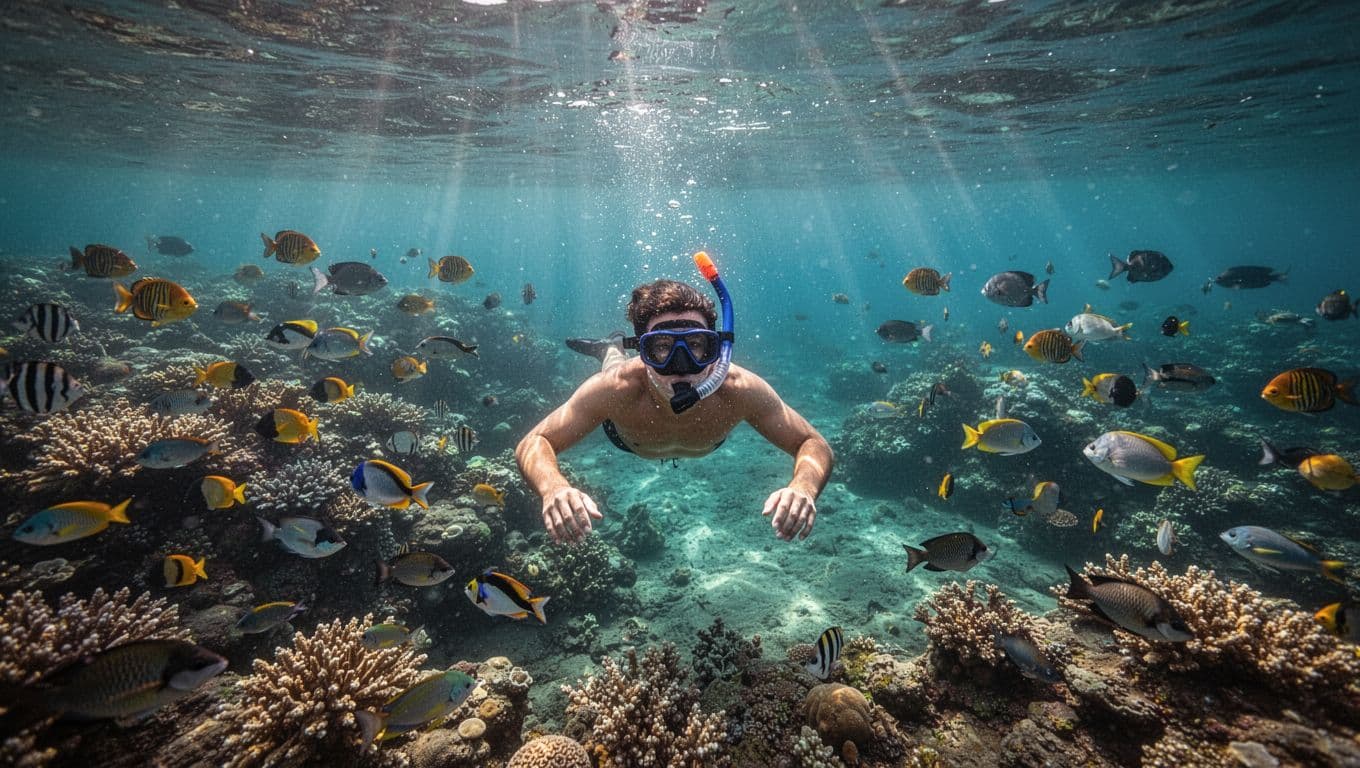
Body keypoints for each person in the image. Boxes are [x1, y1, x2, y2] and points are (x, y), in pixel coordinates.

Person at [515, 252, 834, 545]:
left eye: (696, 345)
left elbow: (813, 443)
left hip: (672, 435)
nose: (680, 366)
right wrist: (553, 488)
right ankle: (610, 347)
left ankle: (620, 347)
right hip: (627, 437)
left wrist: (803, 487)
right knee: (614, 367)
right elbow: (534, 441)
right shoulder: (617, 389)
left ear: (717, 349)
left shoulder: (739, 389)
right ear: (643, 350)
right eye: (662, 347)